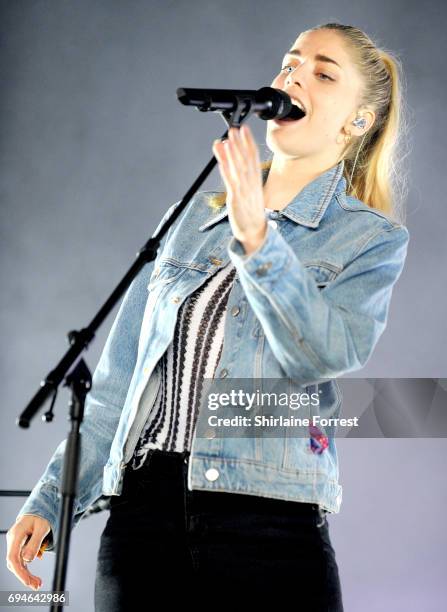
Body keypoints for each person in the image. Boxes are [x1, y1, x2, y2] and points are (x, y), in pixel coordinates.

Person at [6, 22, 410, 610]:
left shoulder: (370, 238)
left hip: (268, 523)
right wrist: (50, 501)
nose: (294, 75)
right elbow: (119, 386)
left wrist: (258, 240)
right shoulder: (189, 221)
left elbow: (323, 353)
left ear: (358, 121)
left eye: (323, 73)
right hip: (143, 521)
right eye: (289, 63)